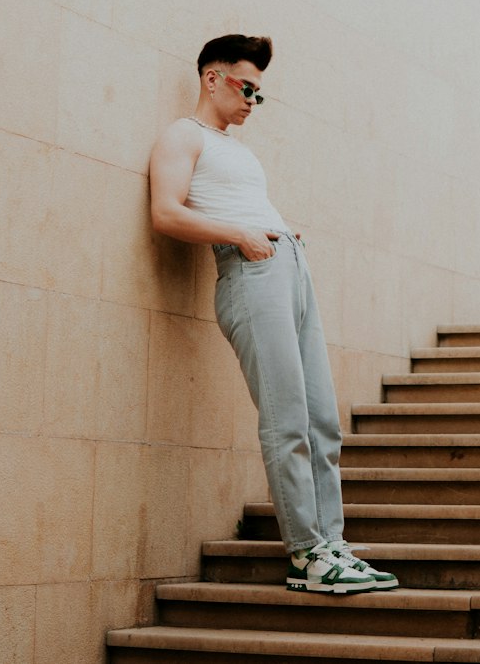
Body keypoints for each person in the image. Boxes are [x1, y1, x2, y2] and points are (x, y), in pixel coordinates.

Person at [148, 34, 398, 595]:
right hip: (248, 275)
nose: (251, 103)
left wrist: (280, 234)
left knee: (322, 421)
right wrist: (241, 234)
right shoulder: (182, 137)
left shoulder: (238, 150)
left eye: (260, 95)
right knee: (287, 421)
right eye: (246, 88)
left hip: (288, 270)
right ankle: (306, 553)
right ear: (211, 78)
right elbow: (165, 212)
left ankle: (332, 545)